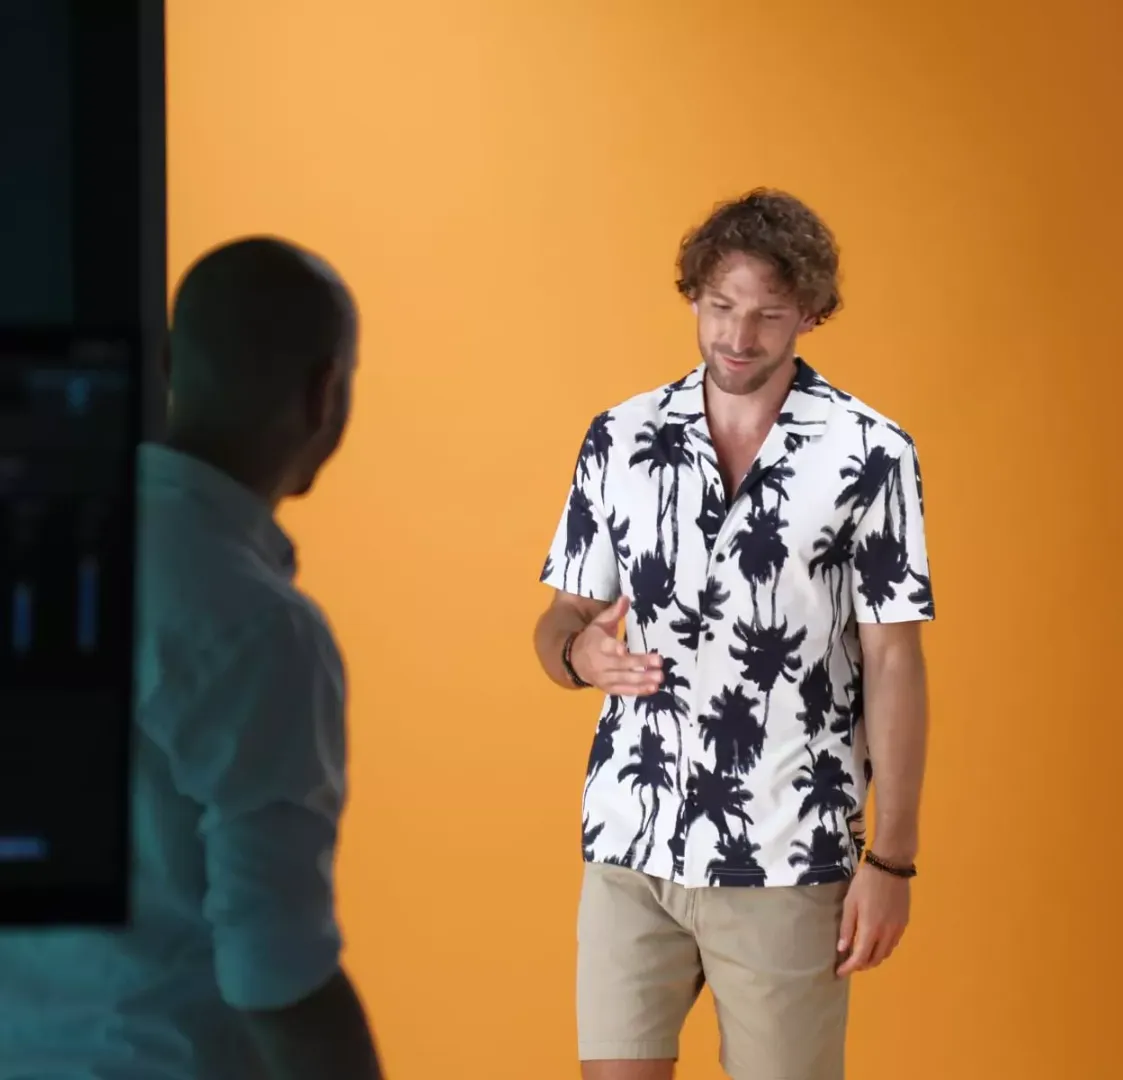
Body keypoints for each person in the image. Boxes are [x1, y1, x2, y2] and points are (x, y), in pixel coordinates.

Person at [534, 189, 934, 1080]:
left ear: (811, 315)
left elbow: (893, 658)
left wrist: (892, 862)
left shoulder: (869, 454)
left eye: (767, 314)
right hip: (630, 840)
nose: (737, 337)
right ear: (692, 297)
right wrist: (575, 654)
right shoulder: (621, 437)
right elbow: (560, 616)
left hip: (787, 850)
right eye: (719, 307)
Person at [0, 237, 384, 1079]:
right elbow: (278, 970)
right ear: (326, 394)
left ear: (171, 363)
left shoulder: (42, 545)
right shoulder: (261, 628)